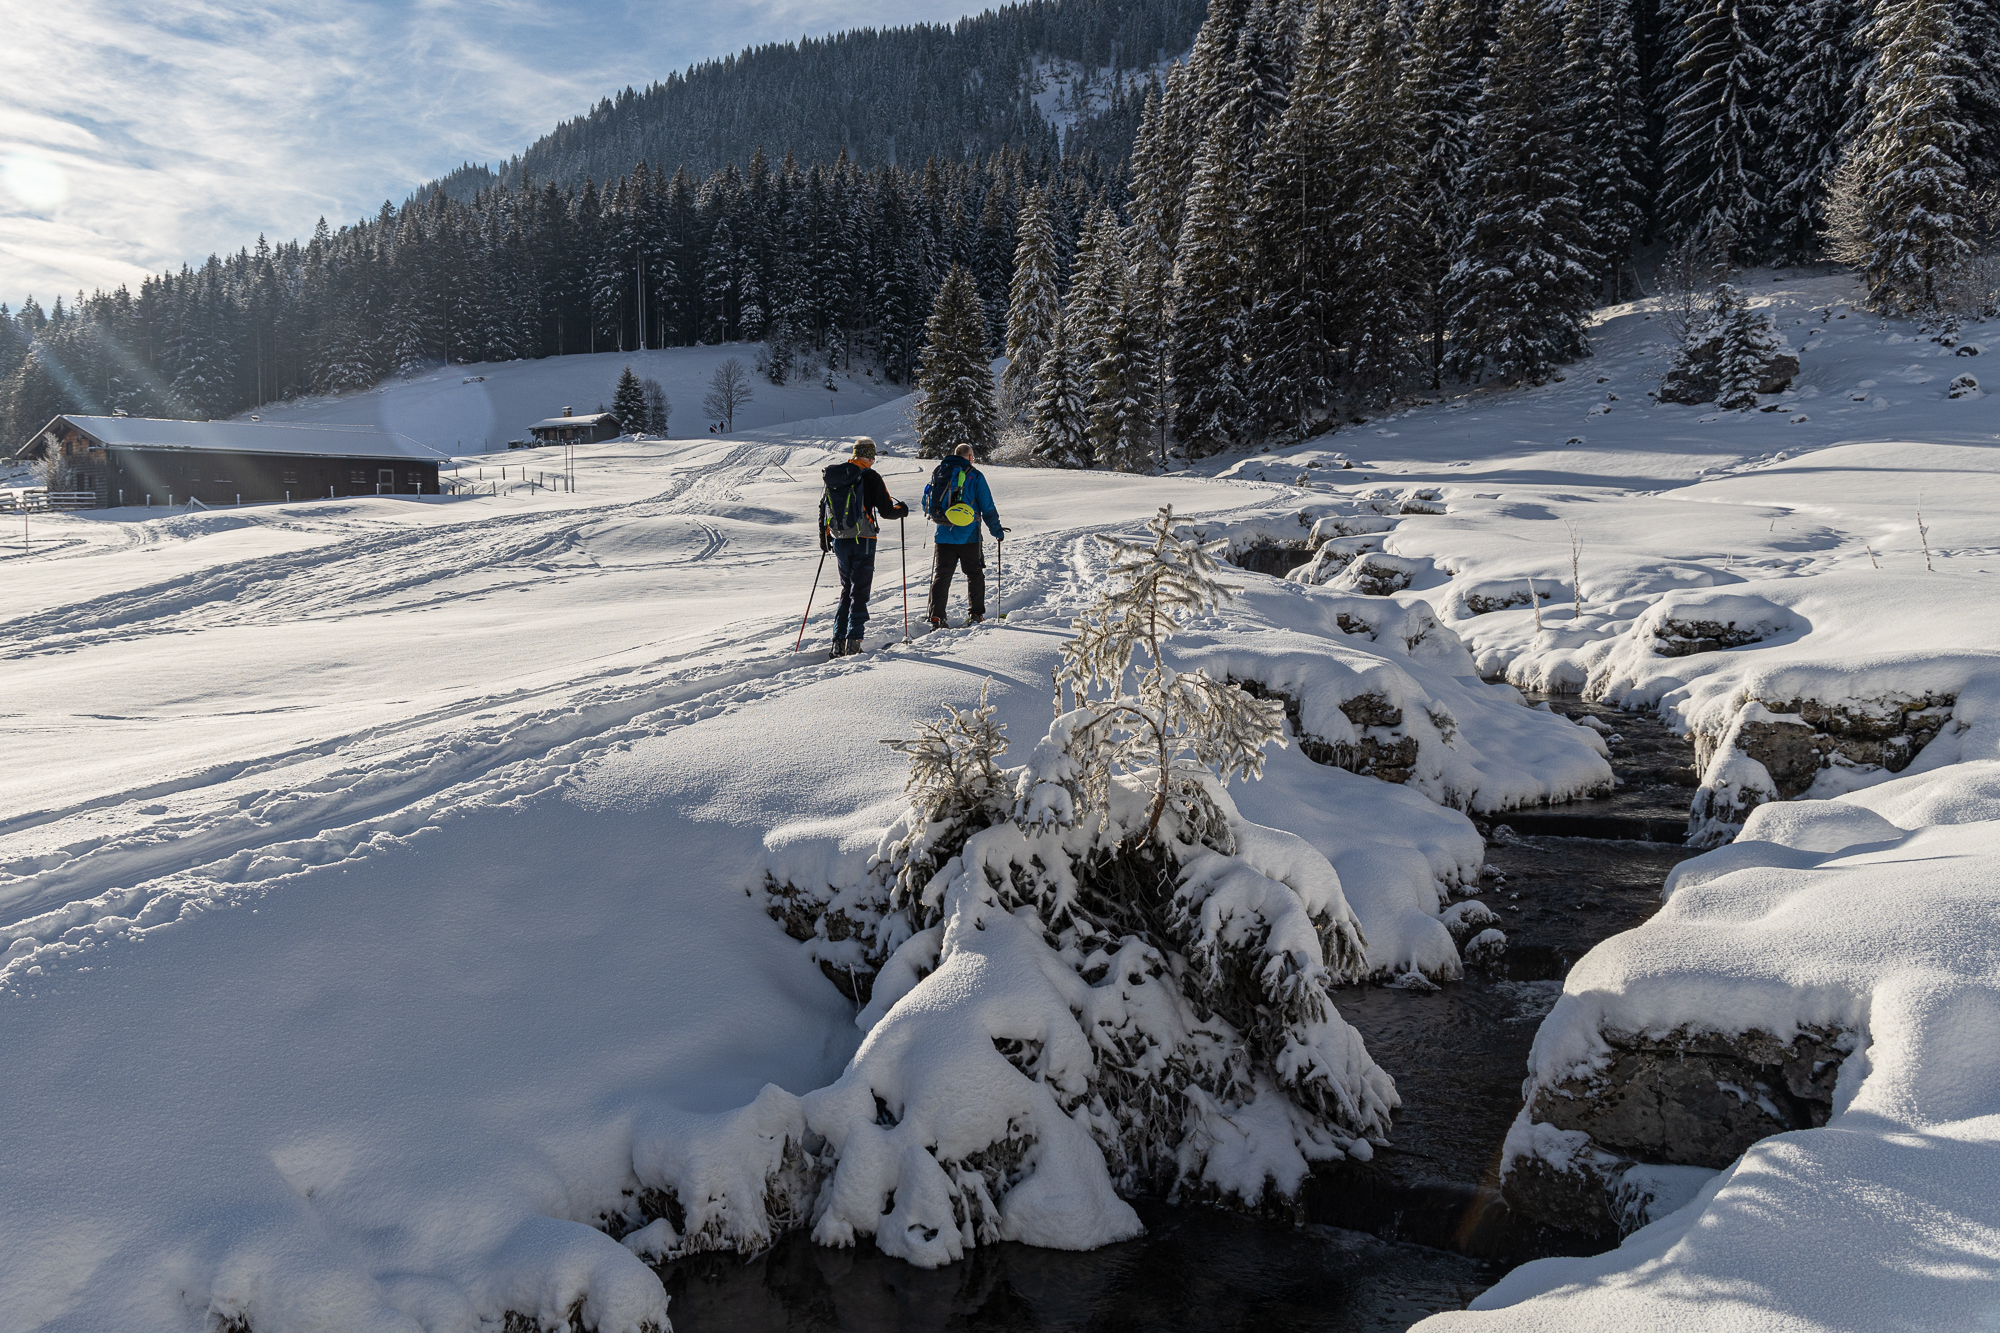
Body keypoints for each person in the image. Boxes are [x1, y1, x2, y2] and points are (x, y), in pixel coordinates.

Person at [819, 437, 909, 658]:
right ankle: (854, 641)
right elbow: (887, 510)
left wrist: (825, 538)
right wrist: (903, 510)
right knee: (859, 591)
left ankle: (837, 642)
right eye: (873, 455)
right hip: (864, 540)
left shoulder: (836, 476)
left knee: (846, 590)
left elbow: (824, 507)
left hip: (839, 540)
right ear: (869, 456)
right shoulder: (870, 476)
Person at [924, 443, 1004, 627]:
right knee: (974, 574)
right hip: (969, 536)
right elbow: (987, 507)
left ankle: (936, 616)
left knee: (942, 575)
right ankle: (976, 614)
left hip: (943, 534)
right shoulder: (974, 475)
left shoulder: (939, 472)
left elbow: (926, 502)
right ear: (969, 456)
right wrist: (997, 531)